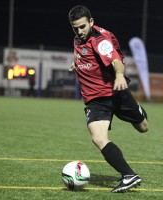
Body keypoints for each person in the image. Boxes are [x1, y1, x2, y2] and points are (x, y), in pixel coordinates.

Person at [68, 5, 148, 193]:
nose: (79, 32)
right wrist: (77, 64)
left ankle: (135, 109)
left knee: (143, 127)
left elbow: (115, 61)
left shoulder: (99, 40)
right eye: (75, 28)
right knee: (98, 138)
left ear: (91, 22)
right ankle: (129, 175)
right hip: (96, 99)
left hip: (116, 92)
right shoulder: (79, 38)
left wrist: (119, 76)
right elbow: (87, 56)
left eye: (82, 27)